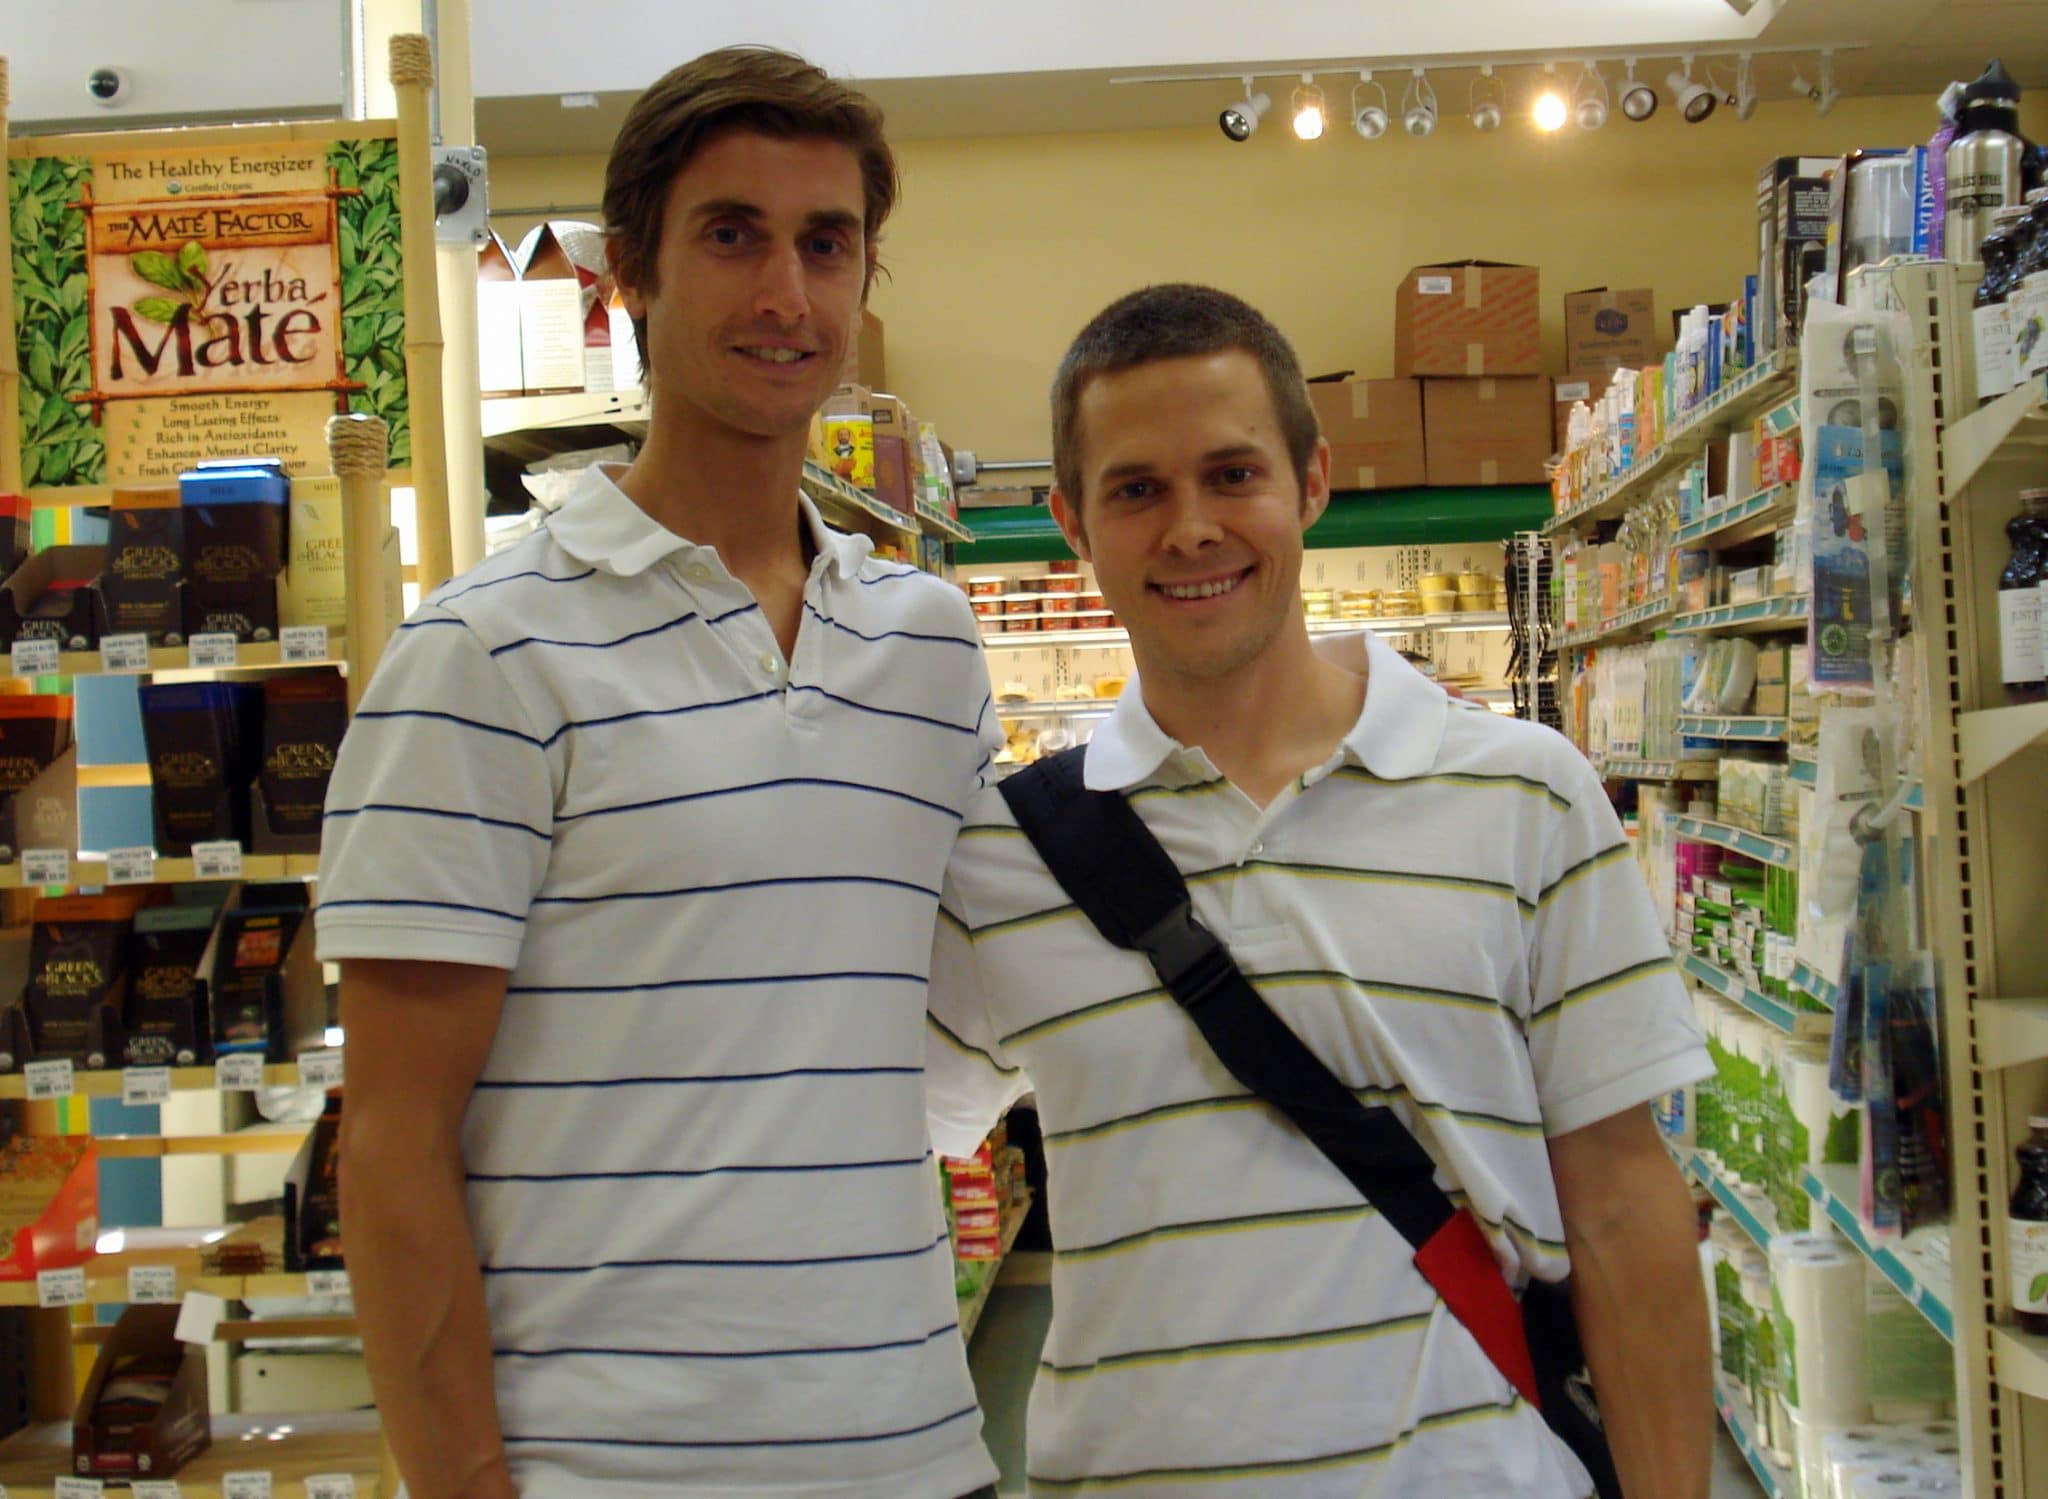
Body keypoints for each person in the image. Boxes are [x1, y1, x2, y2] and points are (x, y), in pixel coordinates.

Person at [318, 47, 1002, 1499]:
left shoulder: (928, 646)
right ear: (631, 270)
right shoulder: (482, 657)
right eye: (733, 235)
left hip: (915, 1449)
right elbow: (389, 1143)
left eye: (827, 244)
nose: (786, 295)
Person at [925, 284, 1715, 1497]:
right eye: (1135, 489)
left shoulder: (1528, 794)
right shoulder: (1001, 852)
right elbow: (863, 1138)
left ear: (1310, 481)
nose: (1191, 528)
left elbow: (1620, 1201)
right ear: (1070, 522)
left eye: (1231, 474)